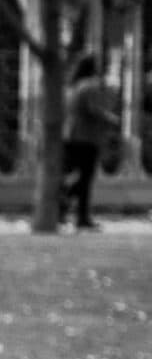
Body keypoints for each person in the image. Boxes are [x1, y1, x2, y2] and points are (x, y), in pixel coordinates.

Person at [62, 55, 119, 232]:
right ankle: (73, 212)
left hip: (71, 136)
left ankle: (69, 211)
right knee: (84, 178)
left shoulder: (74, 86)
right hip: (86, 137)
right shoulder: (89, 86)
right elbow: (94, 109)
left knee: (77, 176)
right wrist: (112, 119)